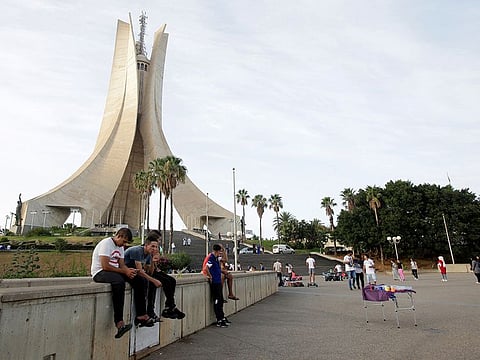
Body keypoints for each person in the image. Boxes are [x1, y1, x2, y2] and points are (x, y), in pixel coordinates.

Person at [91, 228, 152, 339]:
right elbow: (105, 266)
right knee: (119, 282)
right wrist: (124, 271)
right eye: (123, 241)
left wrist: (129, 271)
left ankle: (141, 314)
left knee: (139, 280)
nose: (124, 245)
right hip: (100, 272)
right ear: (119, 236)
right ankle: (119, 322)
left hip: (114, 271)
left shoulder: (120, 247)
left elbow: (122, 265)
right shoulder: (106, 244)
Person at [124, 232, 185, 321]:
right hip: (127, 272)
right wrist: (154, 280)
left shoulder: (148, 254)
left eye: (156, 246)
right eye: (153, 246)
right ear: (146, 245)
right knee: (150, 283)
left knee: (171, 280)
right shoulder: (137, 250)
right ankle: (148, 312)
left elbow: (149, 271)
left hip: (136, 273)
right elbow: (141, 271)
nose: (155, 248)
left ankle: (169, 307)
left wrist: (153, 260)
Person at [203, 244, 231, 328]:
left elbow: (225, 260)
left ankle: (222, 317)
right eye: (220, 251)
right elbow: (206, 268)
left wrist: (223, 250)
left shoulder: (216, 258)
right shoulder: (211, 257)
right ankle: (219, 319)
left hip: (218, 281)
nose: (220, 253)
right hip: (215, 282)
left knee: (220, 299)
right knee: (217, 300)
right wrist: (210, 276)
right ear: (216, 251)